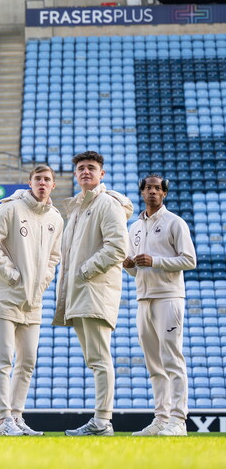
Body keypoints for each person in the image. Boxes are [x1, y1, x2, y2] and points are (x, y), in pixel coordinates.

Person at [0, 165, 63, 436]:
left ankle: (16, 416)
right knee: (4, 359)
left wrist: (42, 281)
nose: (42, 182)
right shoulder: (11, 208)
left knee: (27, 361)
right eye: (38, 178)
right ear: (29, 182)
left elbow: (54, 257)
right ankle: (3, 421)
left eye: (47, 179)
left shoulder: (56, 218)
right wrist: (12, 276)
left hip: (33, 300)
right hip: (3, 296)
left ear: (53, 186)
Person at [53, 151, 133, 437]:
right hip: (80, 293)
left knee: (99, 358)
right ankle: (100, 420)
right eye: (81, 168)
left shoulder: (106, 204)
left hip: (94, 291)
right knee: (95, 360)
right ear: (76, 175)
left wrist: (85, 271)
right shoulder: (76, 208)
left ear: (102, 174)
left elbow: (117, 248)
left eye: (92, 168)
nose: (86, 172)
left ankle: (102, 421)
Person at [125, 175, 196, 437]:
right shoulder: (134, 228)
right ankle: (161, 418)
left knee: (172, 359)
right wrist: (130, 267)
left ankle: (178, 420)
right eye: (148, 188)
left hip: (169, 296)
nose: (153, 191)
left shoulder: (175, 222)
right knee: (154, 363)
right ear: (142, 193)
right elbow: (137, 271)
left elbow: (189, 260)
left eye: (157, 188)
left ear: (164, 193)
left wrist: (155, 261)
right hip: (143, 298)